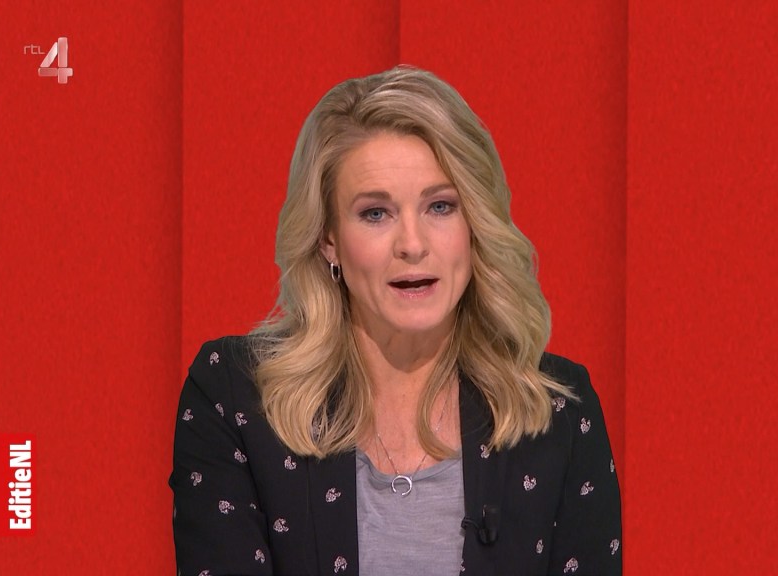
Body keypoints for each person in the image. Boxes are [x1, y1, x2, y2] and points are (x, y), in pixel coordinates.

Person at [169, 65, 622, 576]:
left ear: (475, 225)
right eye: (375, 213)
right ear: (328, 239)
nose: (412, 244)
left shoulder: (559, 415)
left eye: (440, 206)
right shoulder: (236, 398)